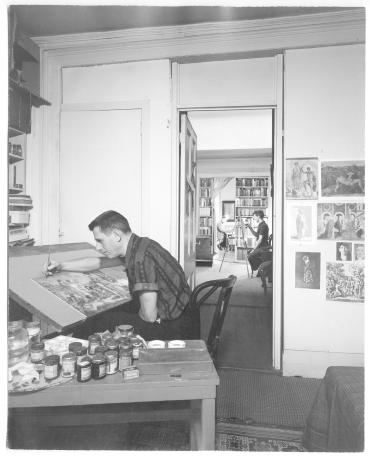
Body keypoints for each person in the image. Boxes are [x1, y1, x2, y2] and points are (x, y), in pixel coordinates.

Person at [45, 210, 200, 341]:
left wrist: (125, 320)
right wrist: (62, 266)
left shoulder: (140, 259)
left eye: (100, 241)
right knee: (110, 311)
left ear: (116, 236)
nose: (98, 247)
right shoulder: (139, 244)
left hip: (177, 330)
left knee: (102, 319)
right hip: (186, 314)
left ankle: (71, 348)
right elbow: (99, 263)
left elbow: (149, 317)